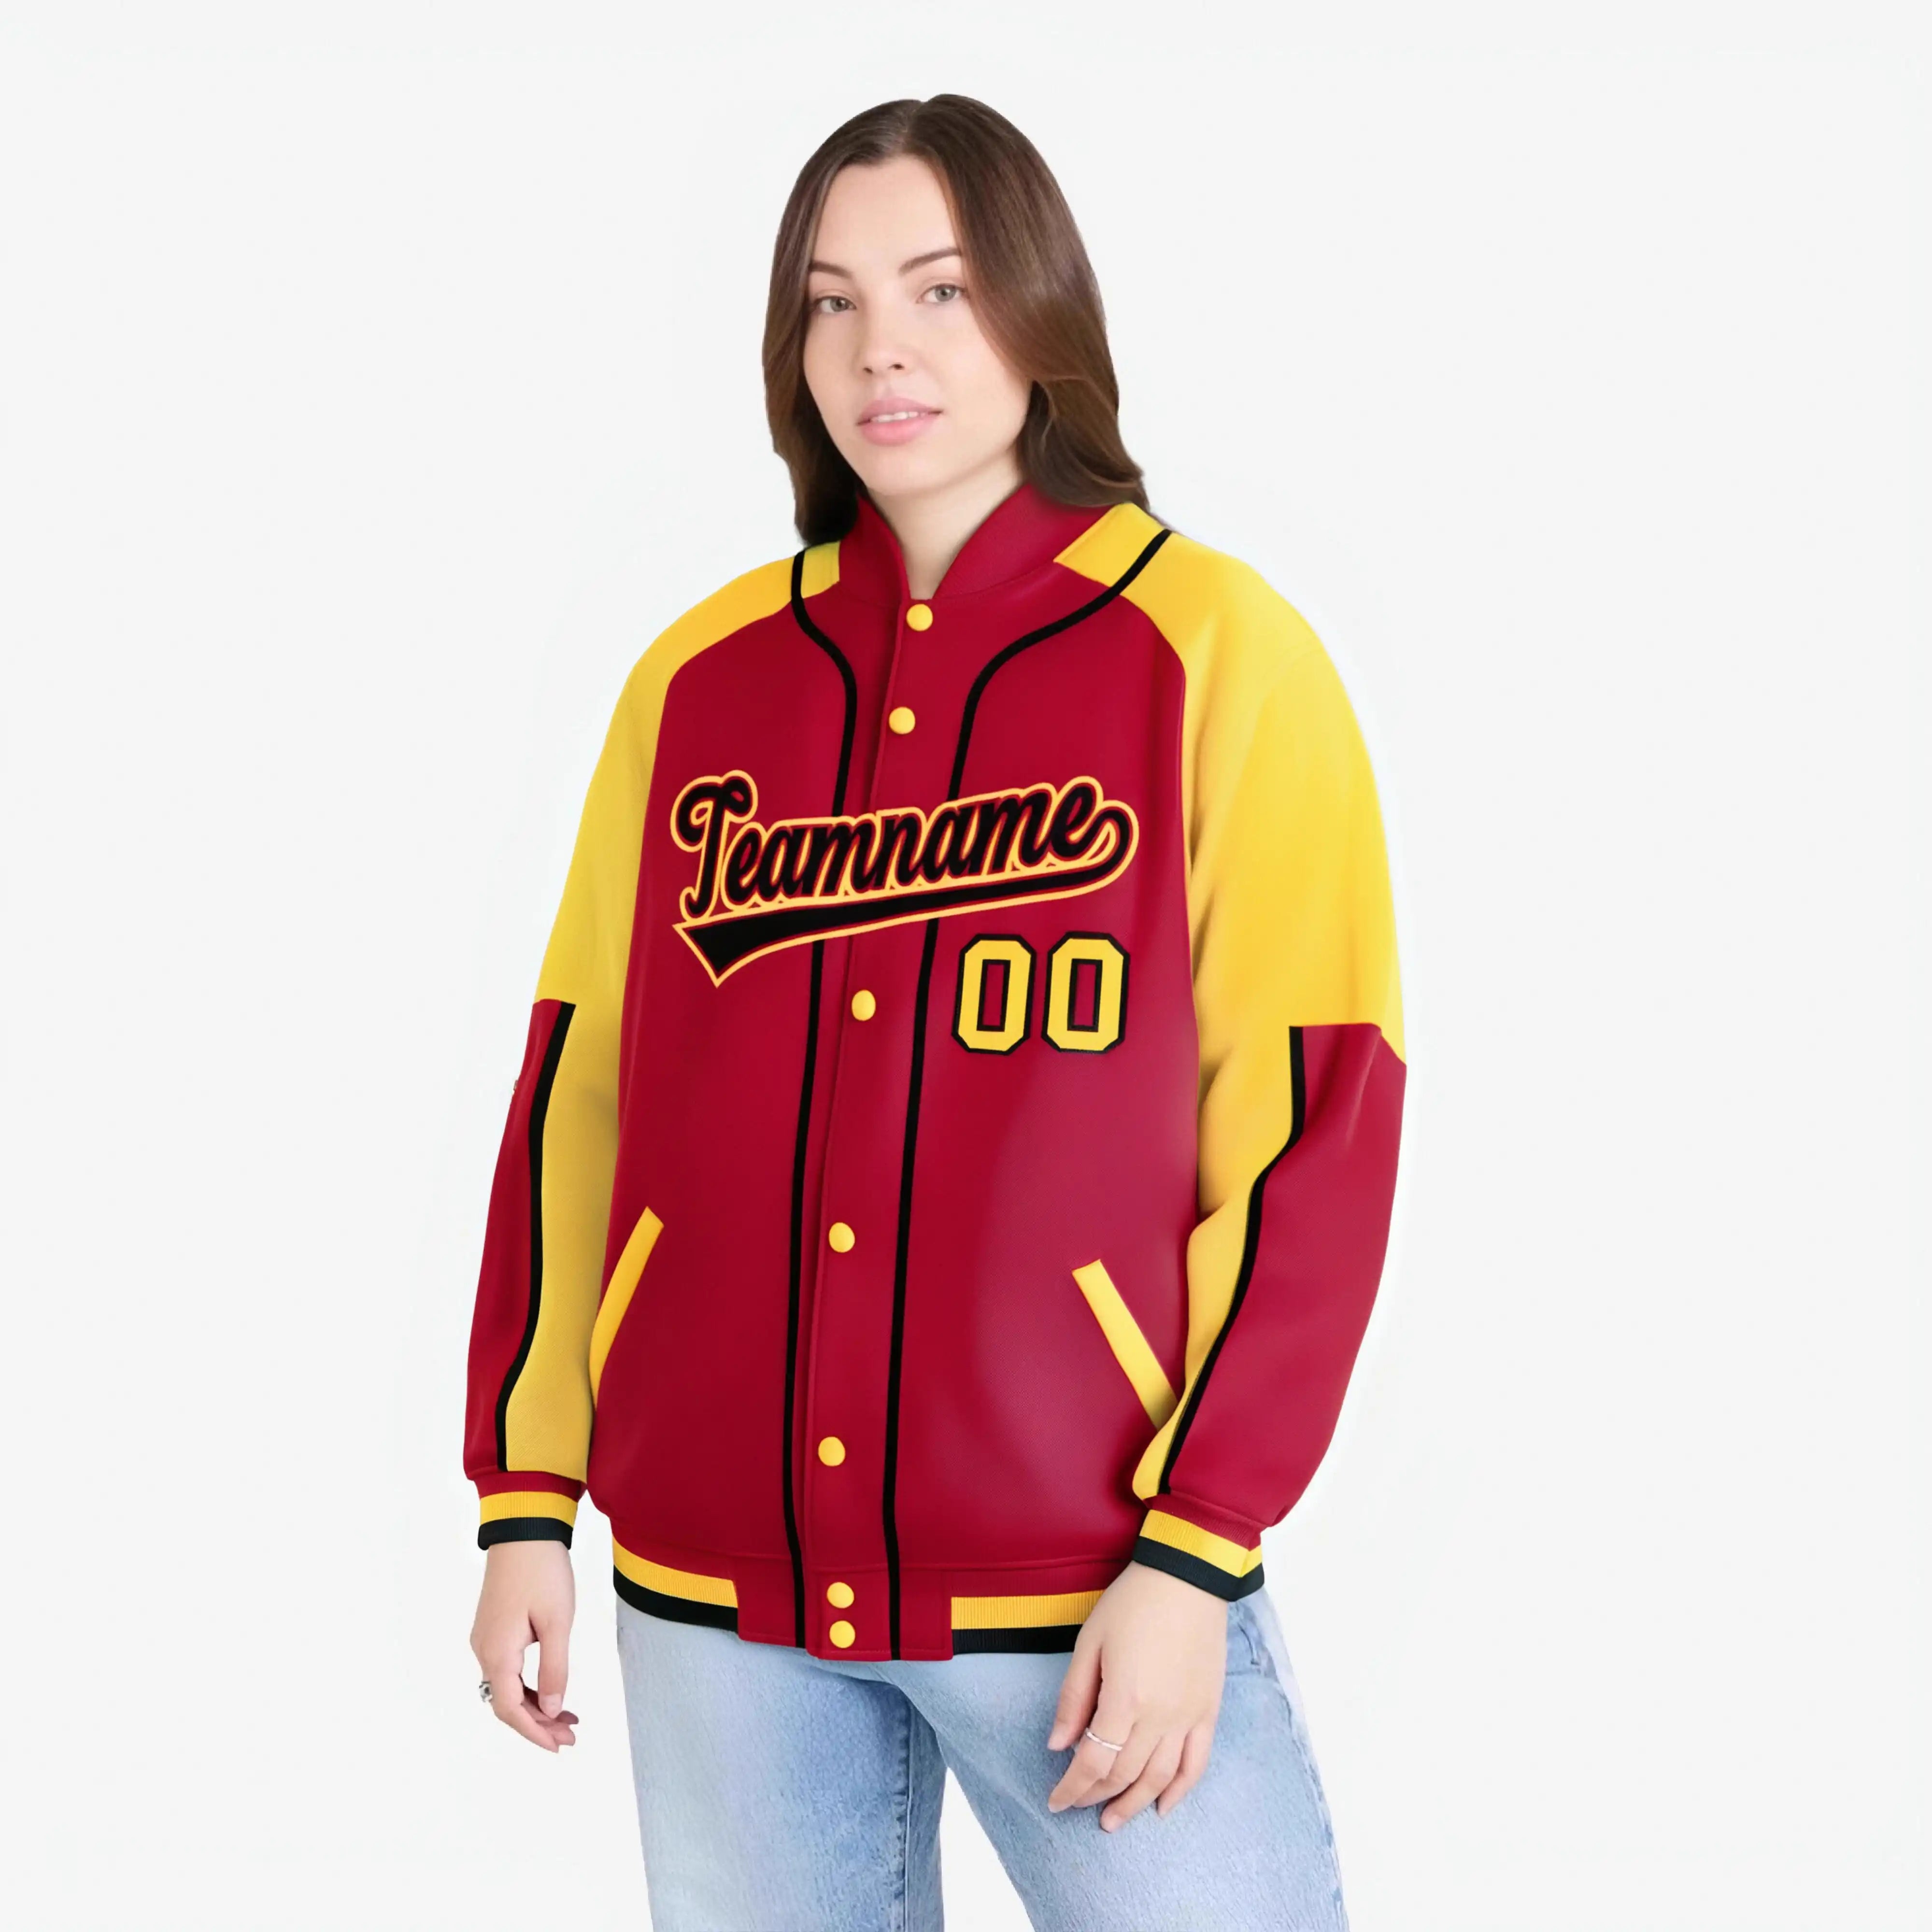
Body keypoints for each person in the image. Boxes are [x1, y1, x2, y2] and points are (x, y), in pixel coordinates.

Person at [463, 93, 1405, 1932]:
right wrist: (525, 1493)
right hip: (714, 1595)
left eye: (940, 289)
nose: (878, 348)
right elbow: (579, 1099)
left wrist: (1198, 1547)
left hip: (1091, 1589)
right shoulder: (699, 682)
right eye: (831, 301)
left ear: (1042, 310)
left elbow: (1314, 1125)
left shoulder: (1219, 655)